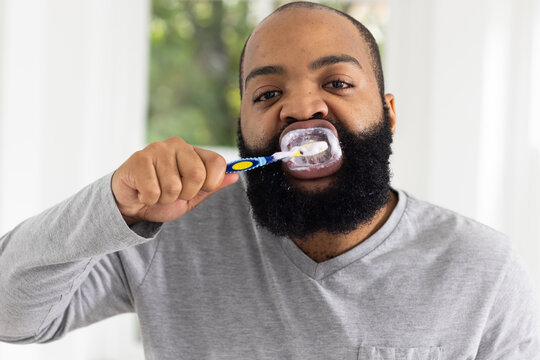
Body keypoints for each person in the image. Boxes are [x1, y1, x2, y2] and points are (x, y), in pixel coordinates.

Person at [0, 2, 538, 359]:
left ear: (388, 113)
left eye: (338, 81)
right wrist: (114, 205)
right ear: (243, 131)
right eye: (267, 94)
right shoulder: (170, 233)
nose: (301, 108)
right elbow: (12, 315)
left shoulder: (482, 269)